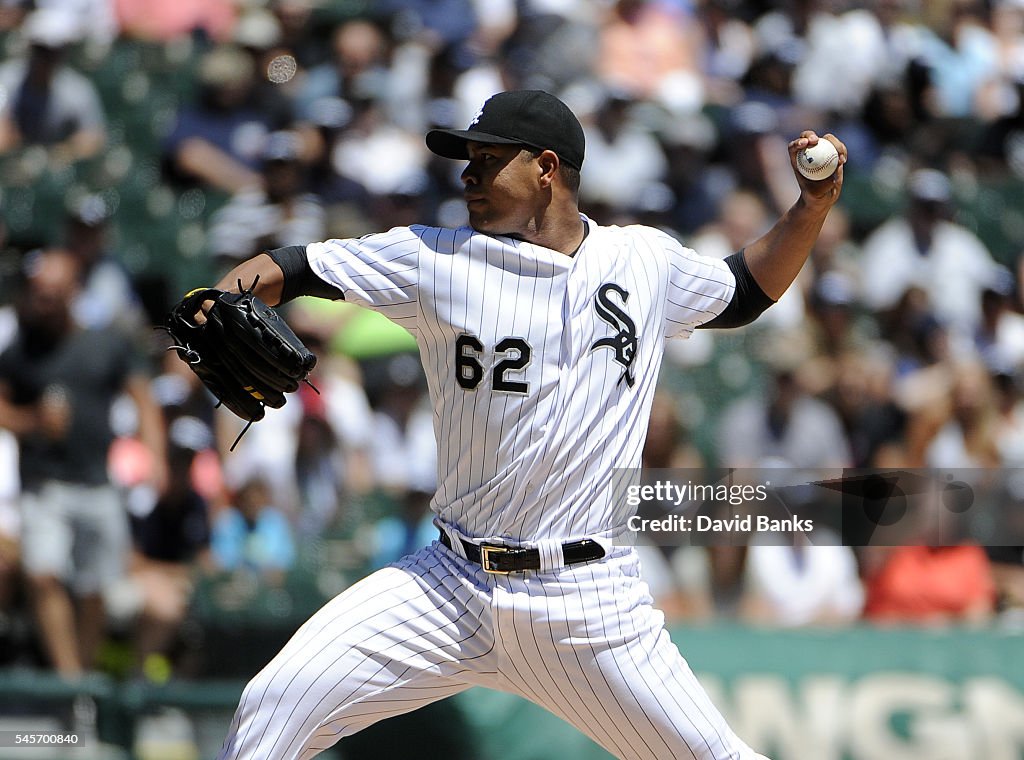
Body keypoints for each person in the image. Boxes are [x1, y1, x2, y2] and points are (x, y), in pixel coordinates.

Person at [199, 89, 845, 759]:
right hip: (447, 586)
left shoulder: (642, 261)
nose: (468, 176)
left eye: (486, 159)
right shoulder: (432, 259)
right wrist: (223, 297)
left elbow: (743, 292)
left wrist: (810, 207)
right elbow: (291, 267)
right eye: (467, 161)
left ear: (545, 168)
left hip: (587, 605)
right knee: (272, 706)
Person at [0, 249, 165, 678]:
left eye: (52, 293)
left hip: (97, 482)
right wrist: (30, 420)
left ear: (73, 292)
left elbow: (143, 398)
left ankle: (84, 682)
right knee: (41, 575)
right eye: (38, 292)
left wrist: (155, 457)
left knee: (96, 589)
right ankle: (70, 680)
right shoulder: (20, 349)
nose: (43, 301)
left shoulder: (104, 343)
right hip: (43, 483)